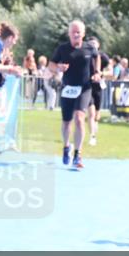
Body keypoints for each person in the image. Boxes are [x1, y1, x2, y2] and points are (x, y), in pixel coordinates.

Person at [49, 20, 100, 169]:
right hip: (68, 89)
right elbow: (51, 65)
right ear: (69, 33)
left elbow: (96, 57)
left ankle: (78, 154)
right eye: (73, 32)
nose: (76, 34)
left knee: (79, 118)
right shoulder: (62, 49)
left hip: (84, 88)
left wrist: (96, 72)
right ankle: (66, 147)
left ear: (83, 34)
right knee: (66, 122)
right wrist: (58, 67)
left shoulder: (89, 48)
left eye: (79, 32)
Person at [85, 37, 110, 146]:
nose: (92, 46)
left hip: (98, 87)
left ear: (98, 45)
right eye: (90, 44)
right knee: (91, 112)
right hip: (86, 87)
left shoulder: (103, 57)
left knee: (96, 115)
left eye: (94, 44)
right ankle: (92, 136)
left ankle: (94, 131)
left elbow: (111, 72)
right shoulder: (84, 55)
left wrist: (101, 74)